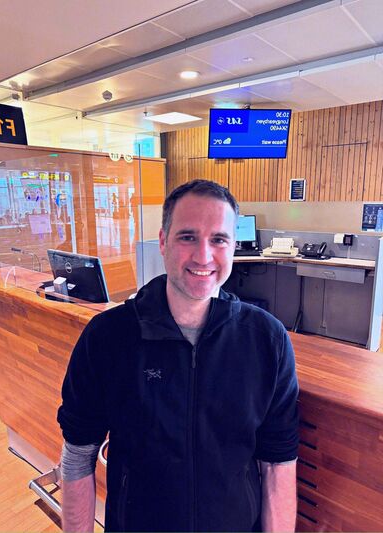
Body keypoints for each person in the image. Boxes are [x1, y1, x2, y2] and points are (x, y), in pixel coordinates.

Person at [58, 179, 299, 532]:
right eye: (188, 237)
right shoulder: (108, 337)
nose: (203, 256)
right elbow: (78, 454)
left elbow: (278, 464)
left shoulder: (267, 340)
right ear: (163, 241)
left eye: (218, 240)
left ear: (233, 246)